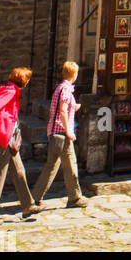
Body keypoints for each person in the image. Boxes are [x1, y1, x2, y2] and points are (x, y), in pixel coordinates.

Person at [0, 66, 40, 226]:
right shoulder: (10, 92)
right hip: (4, 139)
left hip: (9, 139)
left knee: (19, 171)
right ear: (23, 80)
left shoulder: (11, 91)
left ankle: (28, 206)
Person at [32, 60, 87, 210]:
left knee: (51, 167)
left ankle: (36, 197)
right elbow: (62, 110)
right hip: (62, 134)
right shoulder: (67, 89)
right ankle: (74, 197)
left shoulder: (60, 88)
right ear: (74, 75)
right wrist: (69, 131)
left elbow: (65, 107)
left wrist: (76, 107)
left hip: (54, 133)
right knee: (71, 166)